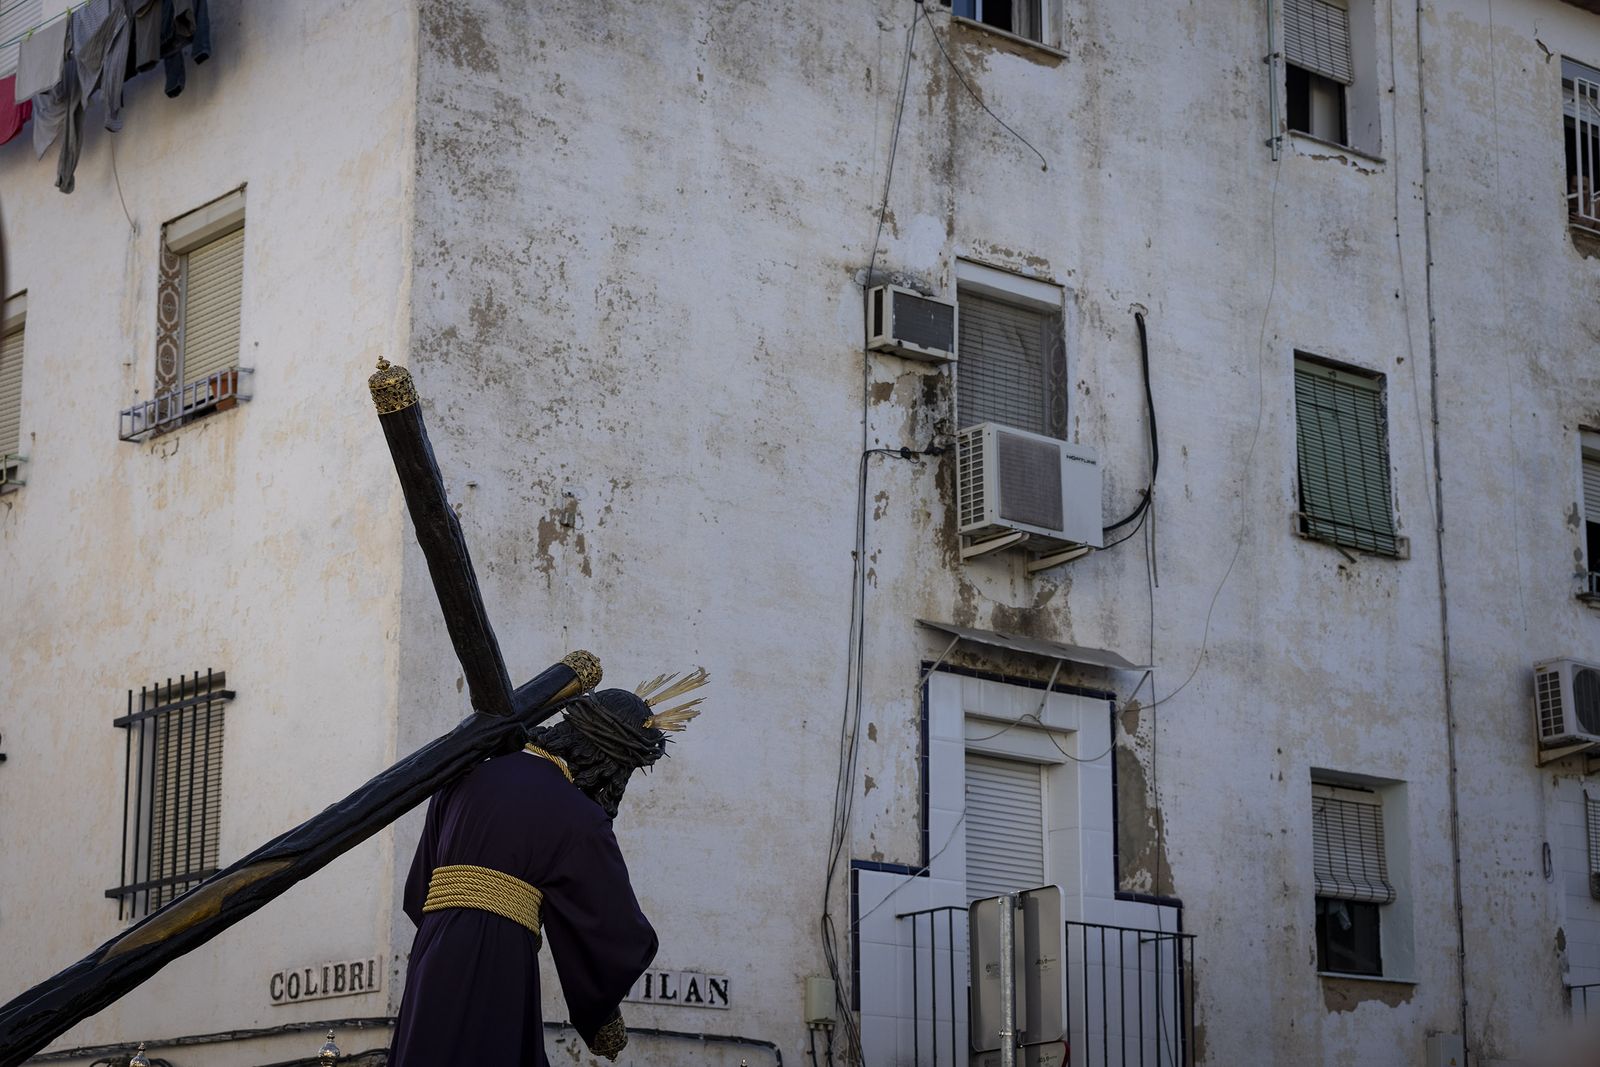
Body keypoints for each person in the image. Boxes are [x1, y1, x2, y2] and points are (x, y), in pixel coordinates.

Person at [388, 671, 706, 1065]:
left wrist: (452, 931)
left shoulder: (466, 774)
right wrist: (602, 1019)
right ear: (612, 761)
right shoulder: (579, 815)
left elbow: (420, 889)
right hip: (497, 955)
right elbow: (609, 927)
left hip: (431, 953)